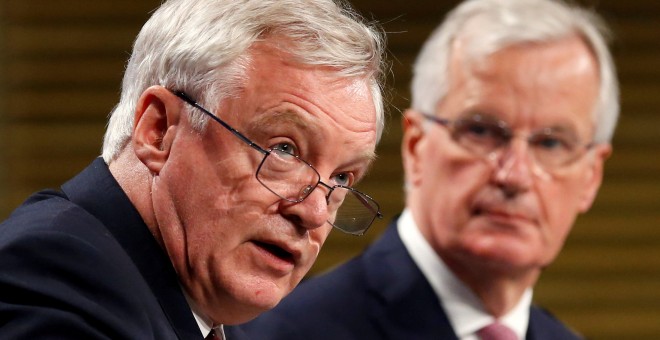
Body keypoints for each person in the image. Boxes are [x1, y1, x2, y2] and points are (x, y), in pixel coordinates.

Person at [0, 0, 387, 338]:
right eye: (284, 150)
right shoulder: (55, 280)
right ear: (158, 131)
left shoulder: (212, 315)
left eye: (341, 178)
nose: (314, 212)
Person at [237, 0, 619, 339]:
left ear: (591, 177)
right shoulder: (282, 331)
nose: (514, 175)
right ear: (416, 147)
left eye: (551, 143)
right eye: (482, 131)